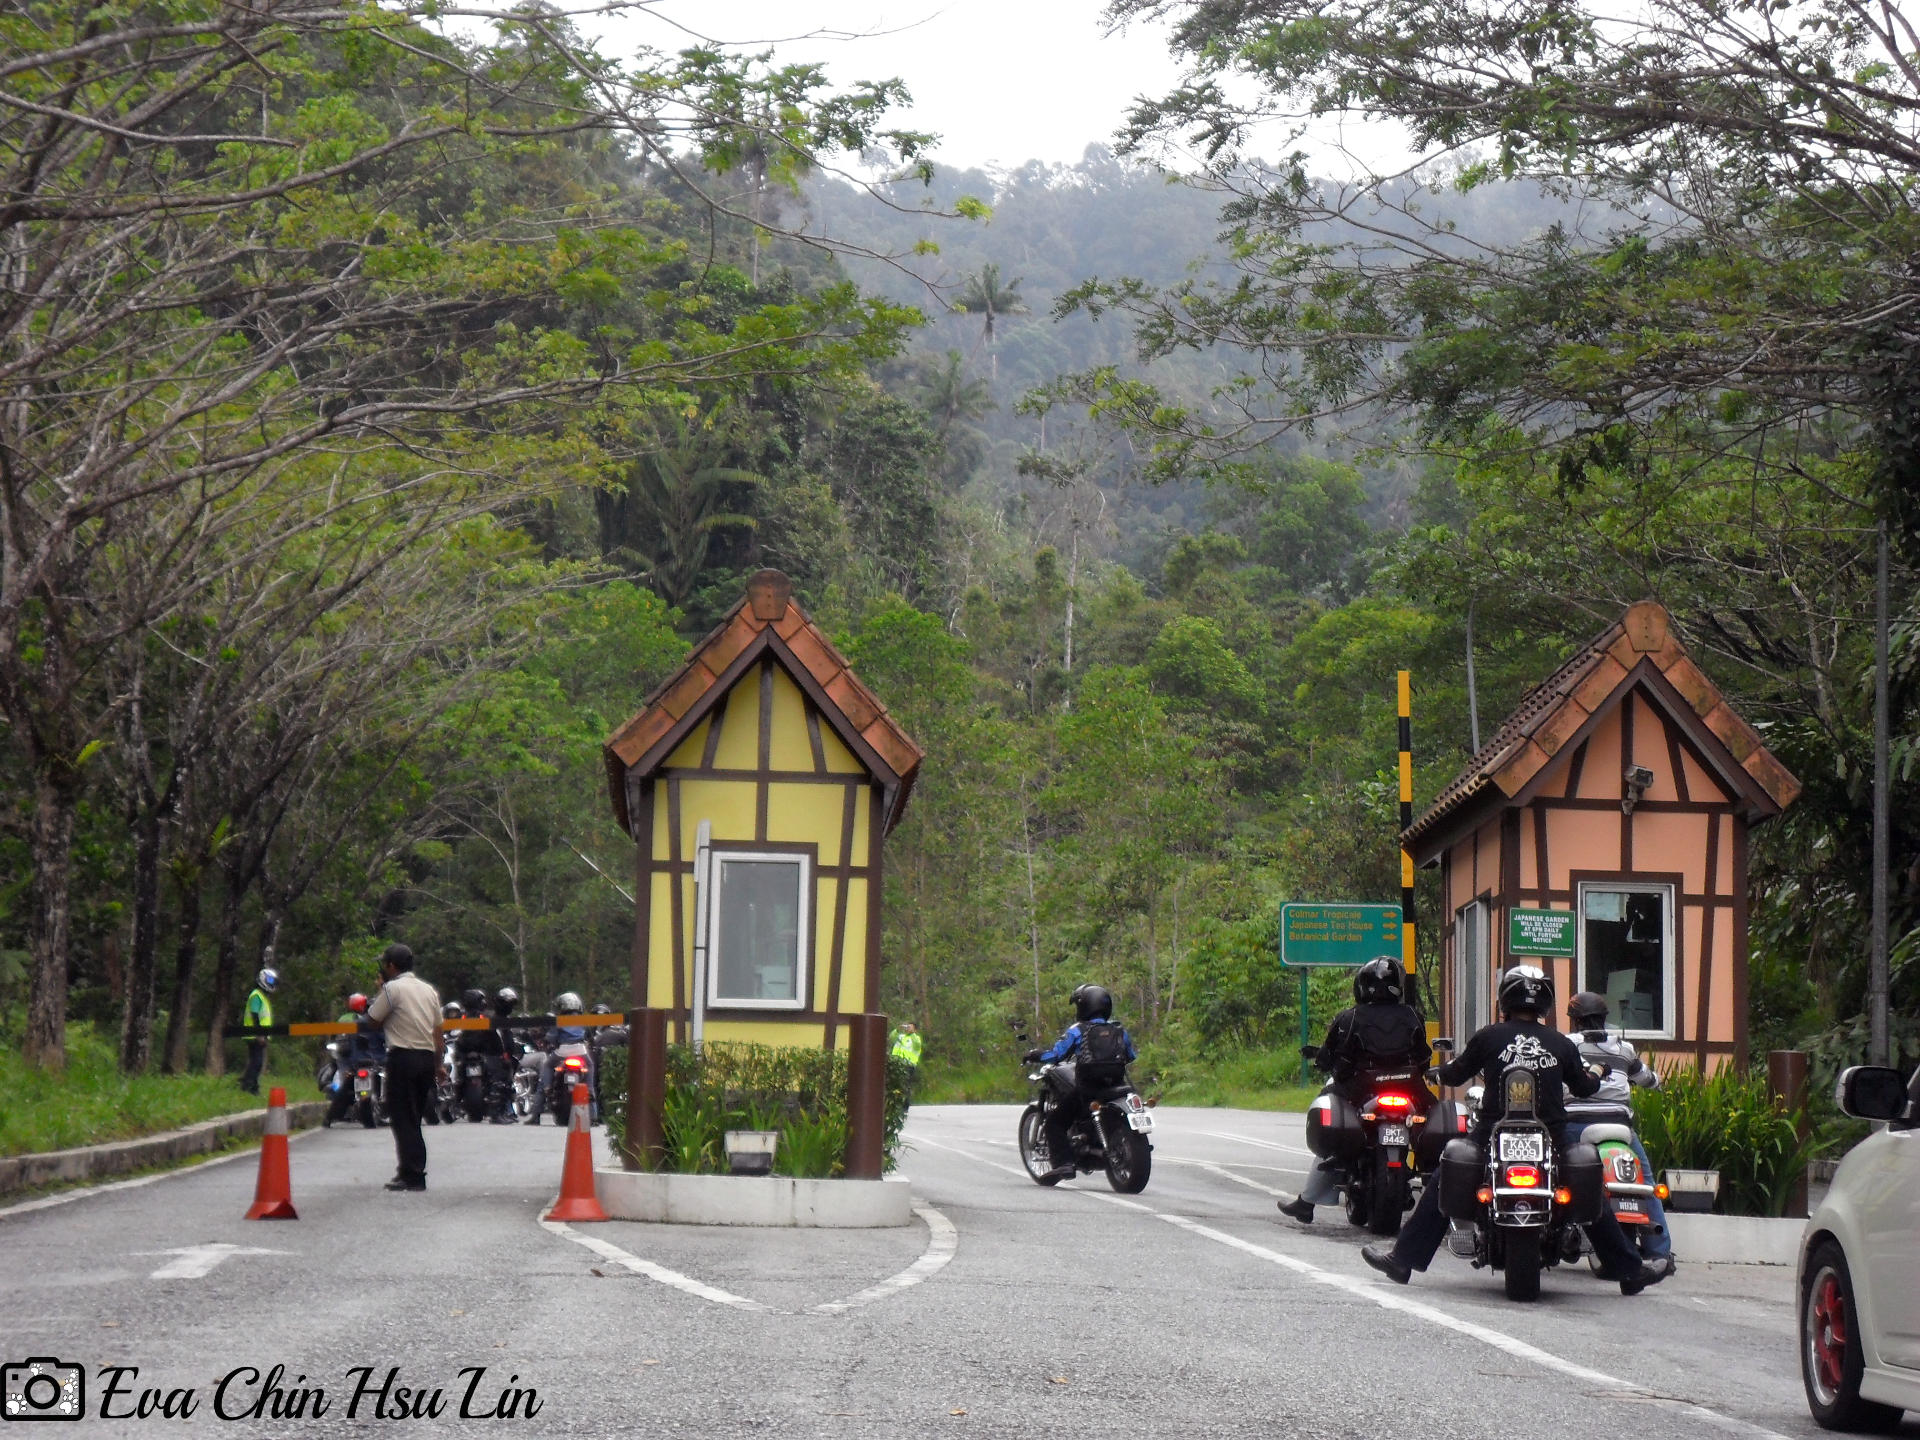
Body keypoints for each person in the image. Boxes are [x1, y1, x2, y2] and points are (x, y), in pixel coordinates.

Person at [1360, 964, 1667, 1296]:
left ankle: (1403, 1261)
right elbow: (1584, 1087)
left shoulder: (1489, 1036)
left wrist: (1437, 1073)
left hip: (1492, 1132)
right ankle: (1630, 1271)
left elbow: (1455, 1073)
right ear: (1545, 1003)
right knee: (1588, 1183)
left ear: (1505, 999)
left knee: (1445, 1177)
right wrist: (1595, 1070)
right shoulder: (1560, 1043)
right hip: (1552, 1136)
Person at [1279, 957, 1431, 1224]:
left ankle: (1307, 1202)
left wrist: (1323, 1061)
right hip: (1408, 1086)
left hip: (1361, 1088)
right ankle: (1442, 1194)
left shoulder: (1350, 1017)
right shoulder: (1412, 1016)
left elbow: (1330, 1055)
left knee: (1331, 1121)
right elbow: (1423, 1056)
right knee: (1433, 1118)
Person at [1565, 990, 1674, 1276]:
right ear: (1604, 1018)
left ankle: (1560, 1231)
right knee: (1646, 1183)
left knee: (1558, 1172)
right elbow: (1647, 1079)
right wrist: (1657, 1083)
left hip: (1577, 1123)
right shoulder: (1623, 1049)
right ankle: (1660, 1251)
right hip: (1619, 1125)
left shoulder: (1567, 1046)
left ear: (1575, 1020)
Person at [1022, 984, 1137, 1184]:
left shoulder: (1078, 1030)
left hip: (1090, 1090)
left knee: (1055, 1122)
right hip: (1116, 1088)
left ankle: (1064, 1163)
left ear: (1084, 1007)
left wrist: (1034, 1054)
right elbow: (1130, 1055)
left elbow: (1055, 1055)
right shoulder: (1118, 1029)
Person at [364, 944, 444, 1192]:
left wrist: (380, 990)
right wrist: (438, 1065)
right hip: (426, 1059)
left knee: (403, 1118)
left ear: (391, 966)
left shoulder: (392, 989)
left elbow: (372, 1020)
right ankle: (411, 1170)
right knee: (414, 1117)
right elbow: (438, 1032)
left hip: (403, 1057)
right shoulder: (428, 990)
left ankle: (412, 1174)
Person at [324, 993, 387, 1126]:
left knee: (346, 1088)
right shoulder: (379, 1024)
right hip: (377, 1061)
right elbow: (388, 1040)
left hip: (356, 1061)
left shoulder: (355, 1022)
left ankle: (330, 1118)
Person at [452, 987, 513, 1122]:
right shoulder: (475, 1017)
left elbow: (495, 1035)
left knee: (495, 1077)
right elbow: (495, 1036)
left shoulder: (469, 1016)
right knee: (497, 1077)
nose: (483, 1003)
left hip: (473, 1052)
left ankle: (456, 1101)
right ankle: (495, 1111)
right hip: (474, 1052)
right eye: (481, 1000)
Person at [239, 968, 278, 1094]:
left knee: (257, 1062)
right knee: (256, 1062)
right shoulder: (256, 995)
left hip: (258, 1034)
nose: (271, 983)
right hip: (254, 1035)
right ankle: (248, 1086)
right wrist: (259, 1034)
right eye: (270, 980)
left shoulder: (262, 996)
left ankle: (252, 1086)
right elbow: (255, 1015)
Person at [891, 1022, 924, 1115]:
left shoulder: (916, 1039)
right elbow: (892, 1038)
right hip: (897, 1063)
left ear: (915, 1030)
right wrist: (897, 1030)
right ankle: (894, 1105)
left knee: (905, 1086)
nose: (907, 1028)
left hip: (908, 1065)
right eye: (907, 1026)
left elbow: (917, 1044)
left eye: (910, 1027)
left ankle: (905, 1106)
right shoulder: (901, 1036)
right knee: (895, 1085)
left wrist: (912, 1033)